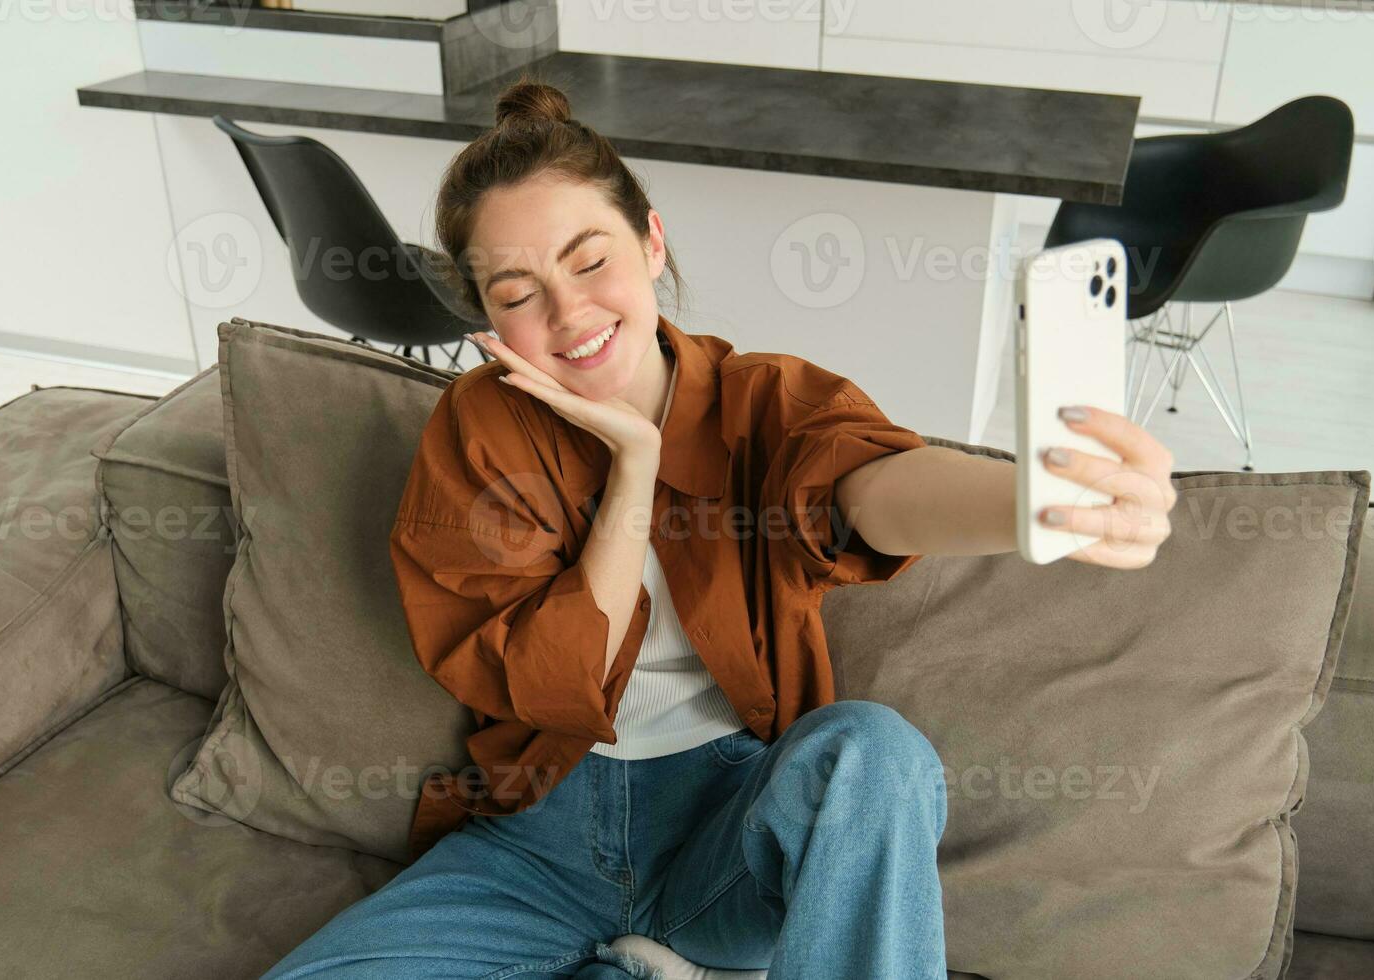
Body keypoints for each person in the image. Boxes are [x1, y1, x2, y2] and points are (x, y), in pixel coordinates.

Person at [261, 77, 1178, 980]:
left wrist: (1029, 504)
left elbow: (864, 487)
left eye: (590, 261)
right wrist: (632, 468)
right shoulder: (476, 430)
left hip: (731, 836)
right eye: (515, 291)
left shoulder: (763, 398)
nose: (568, 313)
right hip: (542, 840)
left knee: (872, 751)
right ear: (485, 312)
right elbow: (555, 685)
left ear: (651, 241)